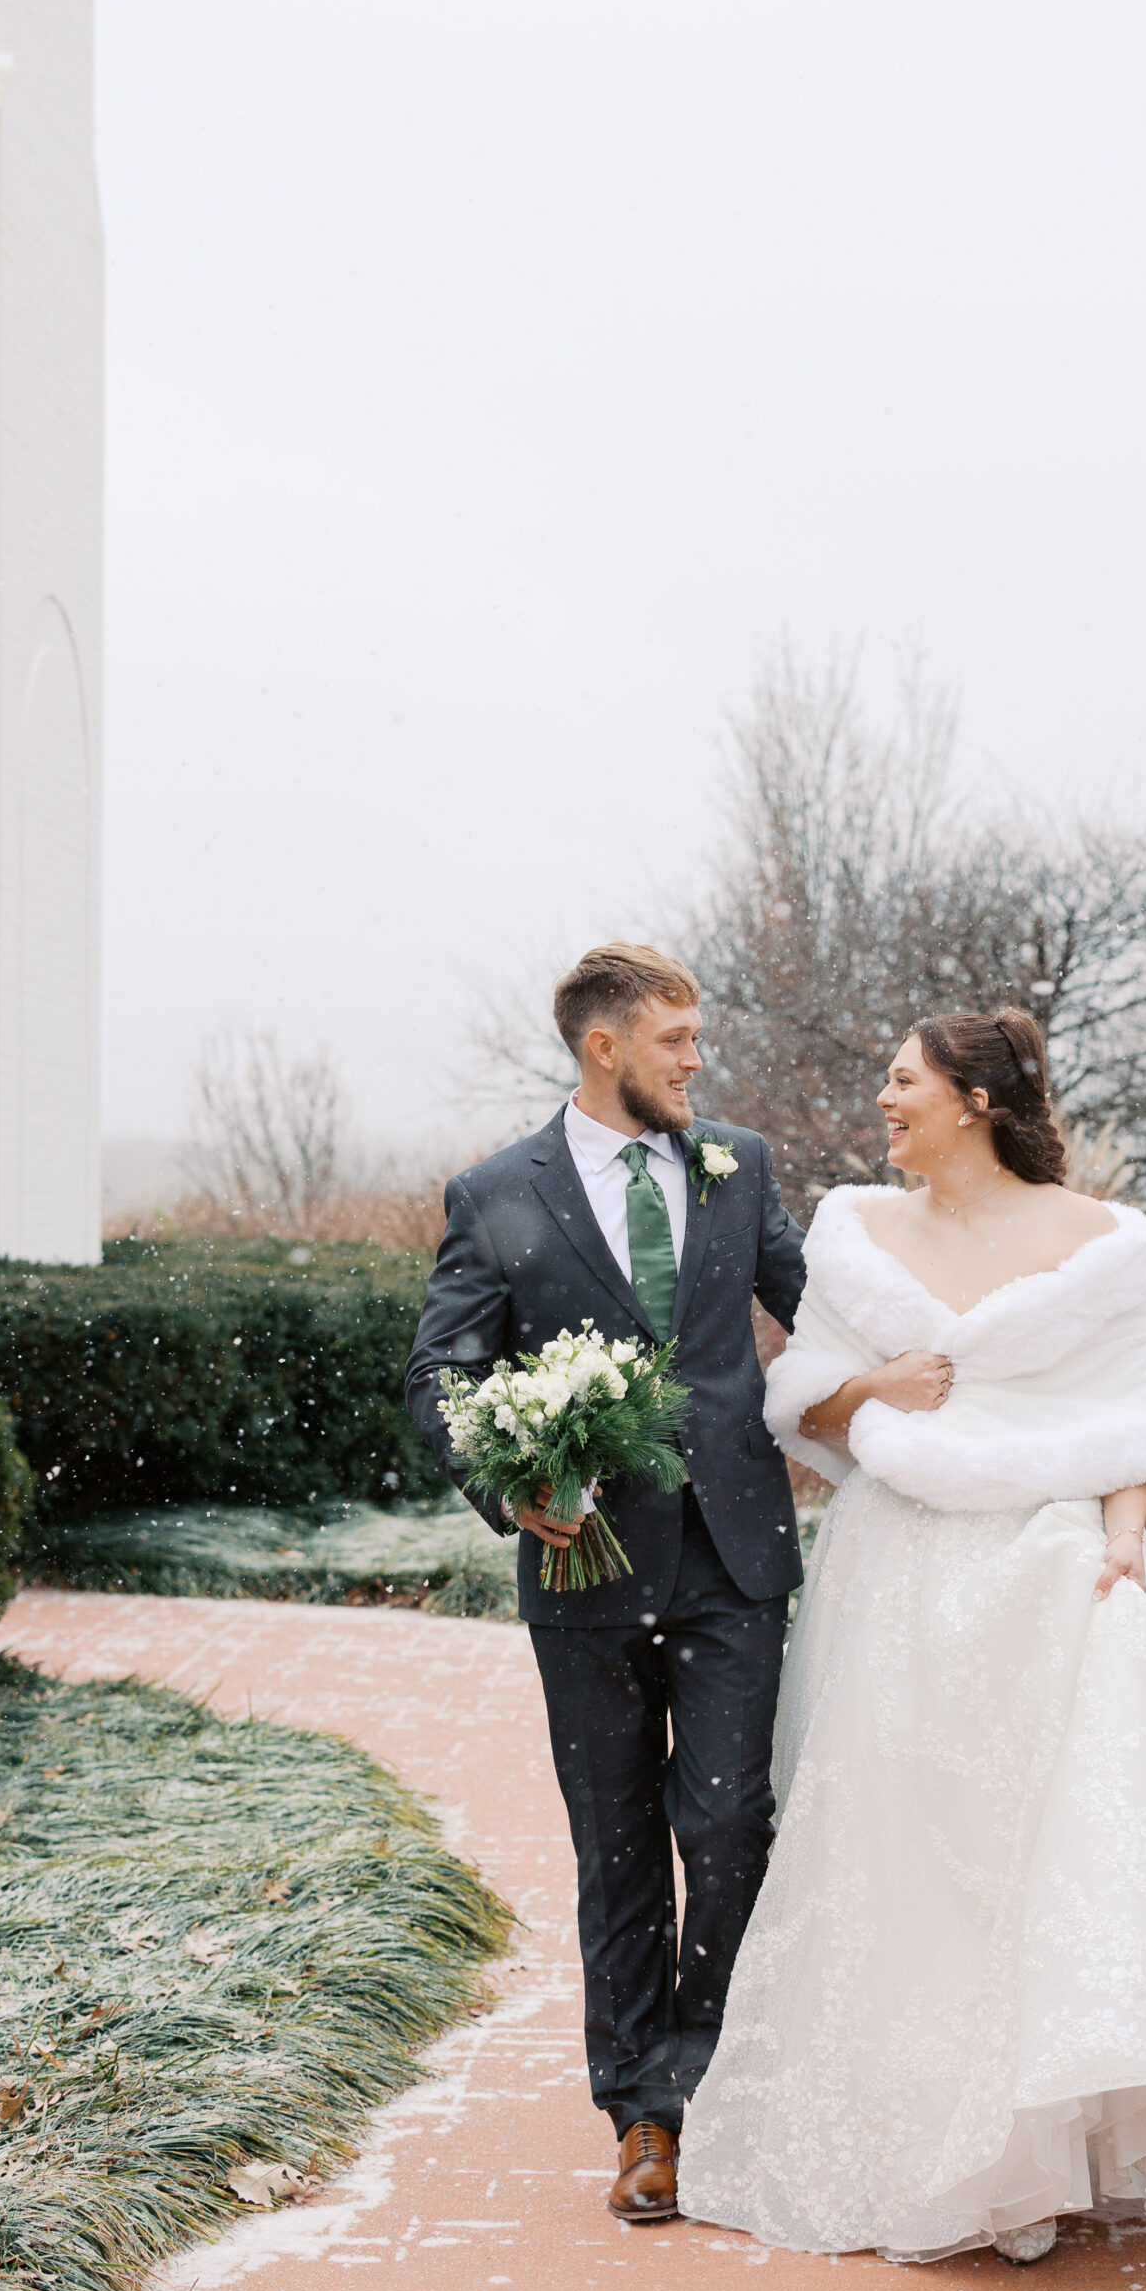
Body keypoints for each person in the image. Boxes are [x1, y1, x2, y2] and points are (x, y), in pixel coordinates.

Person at [677, 1007, 1146, 2264]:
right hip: (898, 1567)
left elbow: (1127, 1412)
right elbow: (804, 1401)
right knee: (907, 1847)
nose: (884, 1100)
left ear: (973, 1100)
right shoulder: (856, 1232)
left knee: (1051, 1838)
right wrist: (872, 1389)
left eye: (903, 1082)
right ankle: (948, 2136)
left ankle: (1043, 2133)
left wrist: (1122, 1538)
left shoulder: (1099, 1244)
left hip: (1051, 1555)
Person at [404, 943, 806, 2225]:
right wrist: (506, 1486)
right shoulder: (497, 1193)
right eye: (677, 1039)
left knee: (732, 1821)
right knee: (618, 1841)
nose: (697, 1063)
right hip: (585, 1567)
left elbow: (830, 1311)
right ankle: (639, 2111)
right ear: (606, 1046)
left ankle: (710, 2078)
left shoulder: (735, 1165)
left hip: (735, 1558)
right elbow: (443, 1373)